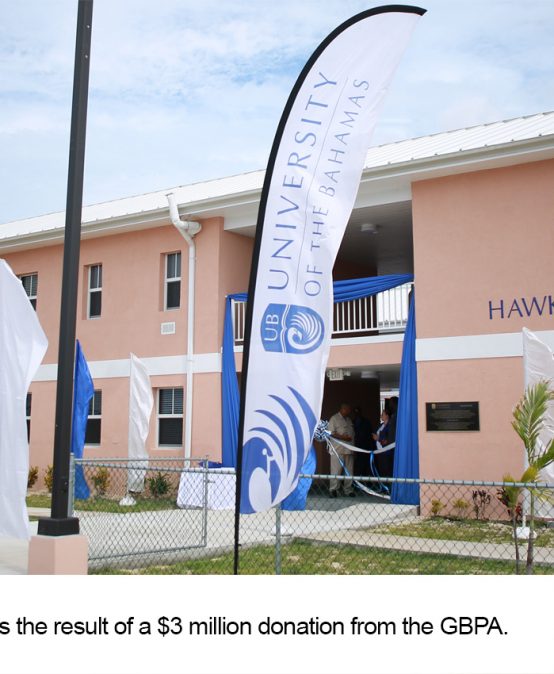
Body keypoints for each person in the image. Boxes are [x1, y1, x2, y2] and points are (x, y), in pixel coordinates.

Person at [328, 403, 355, 497]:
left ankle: (348, 490)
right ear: (343, 409)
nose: (349, 411)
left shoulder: (349, 420)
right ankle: (333, 489)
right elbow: (330, 433)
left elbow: (352, 435)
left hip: (349, 449)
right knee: (336, 470)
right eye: (348, 409)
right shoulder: (334, 419)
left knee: (349, 471)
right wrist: (343, 437)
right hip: (337, 450)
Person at [352, 406, 373, 476]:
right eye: (355, 413)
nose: (357, 414)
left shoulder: (366, 422)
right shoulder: (352, 422)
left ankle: (364, 478)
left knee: (364, 463)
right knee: (356, 463)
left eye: (358, 412)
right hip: (355, 446)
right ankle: (357, 478)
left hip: (364, 446)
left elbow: (369, 434)